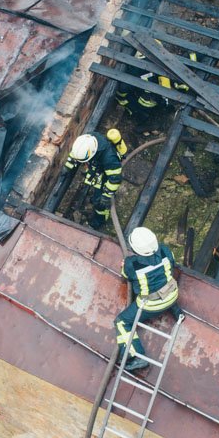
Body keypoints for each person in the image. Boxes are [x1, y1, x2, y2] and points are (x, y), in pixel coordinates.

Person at [115, 227, 182, 373]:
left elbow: (126, 276)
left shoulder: (131, 264)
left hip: (152, 304)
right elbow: (172, 265)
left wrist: (123, 266)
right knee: (163, 283)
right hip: (172, 294)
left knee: (121, 322)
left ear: (134, 247)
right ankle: (176, 310)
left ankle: (136, 356)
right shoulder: (165, 250)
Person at [64, 129, 125, 229]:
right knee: (97, 197)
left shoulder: (110, 158)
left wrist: (106, 195)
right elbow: (74, 154)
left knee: (99, 202)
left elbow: (115, 179)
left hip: (105, 173)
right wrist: (68, 166)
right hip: (97, 165)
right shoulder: (86, 140)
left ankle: (100, 219)